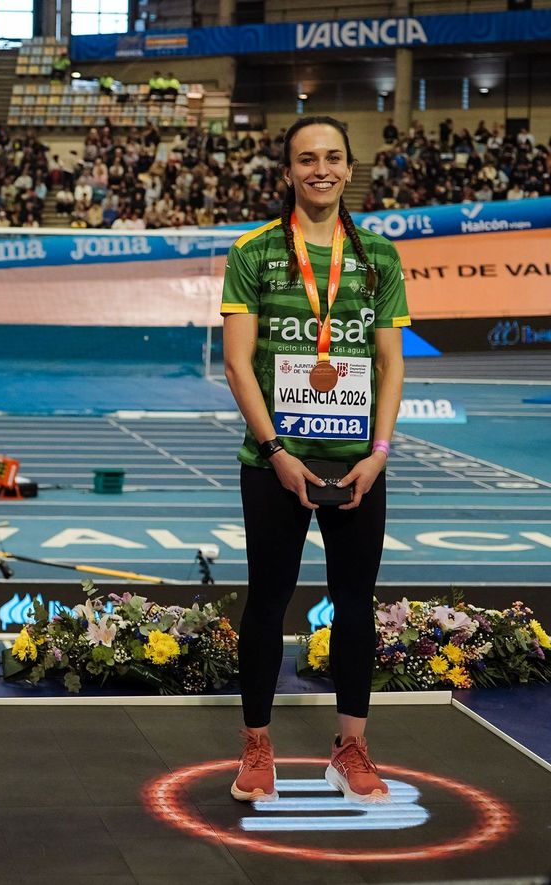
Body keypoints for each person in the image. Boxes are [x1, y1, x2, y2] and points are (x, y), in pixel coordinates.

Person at [219, 115, 408, 806]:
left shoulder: (380, 257)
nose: (319, 168)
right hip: (275, 462)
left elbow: (390, 363)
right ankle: (257, 746)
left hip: (357, 462)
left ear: (349, 166)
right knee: (267, 601)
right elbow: (238, 364)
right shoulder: (255, 251)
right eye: (306, 158)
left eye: (331, 157)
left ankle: (350, 747)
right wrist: (276, 452)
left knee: (355, 605)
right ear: (288, 170)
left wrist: (379, 453)